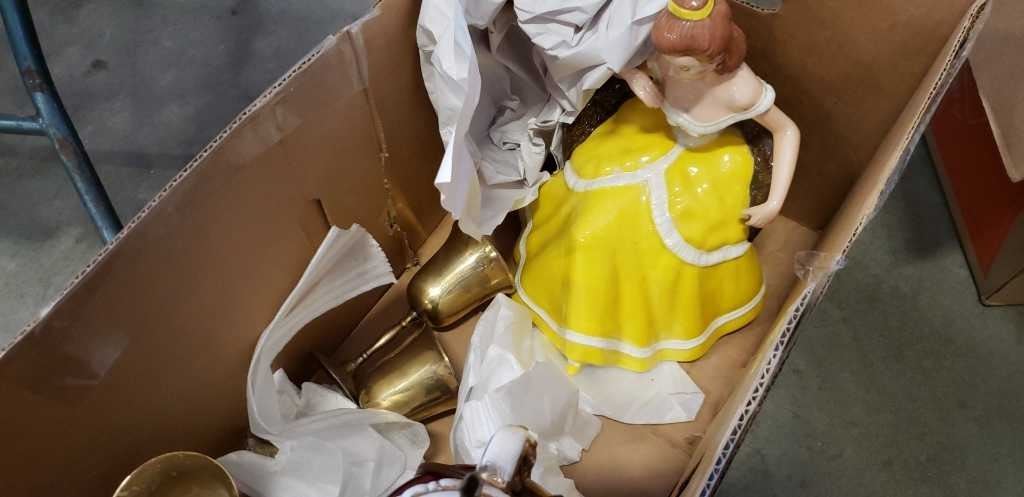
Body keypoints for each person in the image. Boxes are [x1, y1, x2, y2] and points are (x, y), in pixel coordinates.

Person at [515, 0, 800, 373]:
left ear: (716, 59)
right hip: (649, 134)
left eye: (685, 67)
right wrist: (634, 77)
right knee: (588, 222)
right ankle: (573, 306)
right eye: (668, 60)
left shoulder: (740, 90)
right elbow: (619, 62)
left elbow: (787, 130)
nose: (670, 70)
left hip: (710, 163)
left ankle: (637, 324)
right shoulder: (665, 61)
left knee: (651, 242)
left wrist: (775, 202)